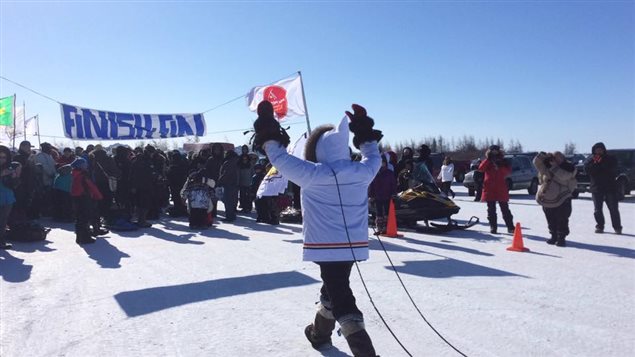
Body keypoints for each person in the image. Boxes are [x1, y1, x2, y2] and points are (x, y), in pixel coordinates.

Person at [253, 101, 382, 357]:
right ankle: (319, 333)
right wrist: (363, 129)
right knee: (334, 288)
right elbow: (373, 154)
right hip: (354, 246)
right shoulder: (363, 171)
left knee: (343, 299)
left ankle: (365, 353)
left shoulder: (311, 173)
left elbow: (277, 156)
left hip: (325, 246)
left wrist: (268, 127)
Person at [534, 152, 577, 246]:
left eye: (558, 157)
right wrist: (542, 155)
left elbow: (563, 177)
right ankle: (553, 235)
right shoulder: (547, 166)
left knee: (562, 218)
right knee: (550, 217)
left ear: (563, 158)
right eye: (554, 157)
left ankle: (561, 237)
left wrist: (553, 167)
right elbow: (537, 163)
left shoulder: (569, 167)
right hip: (547, 196)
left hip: (563, 196)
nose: (556, 159)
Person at [584, 142, 622, 234]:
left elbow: (615, 170)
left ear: (604, 149)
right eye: (597, 149)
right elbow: (588, 170)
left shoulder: (610, 158)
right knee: (597, 209)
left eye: (600, 149)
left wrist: (602, 164)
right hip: (596, 188)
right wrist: (596, 163)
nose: (599, 151)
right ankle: (600, 226)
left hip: (610, 187)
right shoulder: (590, 159)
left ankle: (617, 227)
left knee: (613, 209)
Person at [479, 145, 515, 234]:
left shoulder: (504, 161)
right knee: (491, 210)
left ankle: (510, 227)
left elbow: (508, 172)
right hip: (489, 188)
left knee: (505, 209)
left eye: (496, 151)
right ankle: (493, 227)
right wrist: (488, 159)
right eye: (492, 151)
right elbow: (481, 169)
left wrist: (500, 166)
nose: (494, 152)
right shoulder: (487, 160)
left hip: (501, 188)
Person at [70, 158, 104, 244]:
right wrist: (99, 196)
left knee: (79, 218)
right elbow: (92, 186)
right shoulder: (83, 175)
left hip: (75, 197)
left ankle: (79, 237)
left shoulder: (73, 174)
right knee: (85, 217)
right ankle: (85, 237)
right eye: (85, 165)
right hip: (84, 197)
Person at [369, 155, 397, 234]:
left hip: (387, 195)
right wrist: (371, 195)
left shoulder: (389, 173)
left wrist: (394, 193)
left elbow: (393, 184)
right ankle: (379, 228)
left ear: (385, 163)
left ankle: (385, 227)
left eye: (383, 162)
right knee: (378, 213)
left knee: (386, 212)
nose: (382, 164)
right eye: (380, 163)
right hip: (378, 196)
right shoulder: (376, 173)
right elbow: (372, 185)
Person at [0, 145, 20, 250]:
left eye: (4, 157)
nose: (2, 160)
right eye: (0, 157)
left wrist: (15, 177)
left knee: (3, 221)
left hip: (7, 198)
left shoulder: (10, 168)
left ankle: (1, 241)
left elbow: (15, 185)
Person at [217, 150, 239, 222]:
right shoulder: (235, 162)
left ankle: (229, 217)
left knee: (228, 201)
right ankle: (232, 215)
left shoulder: (228, 163)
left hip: (228, 184)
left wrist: (220, 181)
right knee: (232, 201)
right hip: (234, 183)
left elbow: (226, 174)